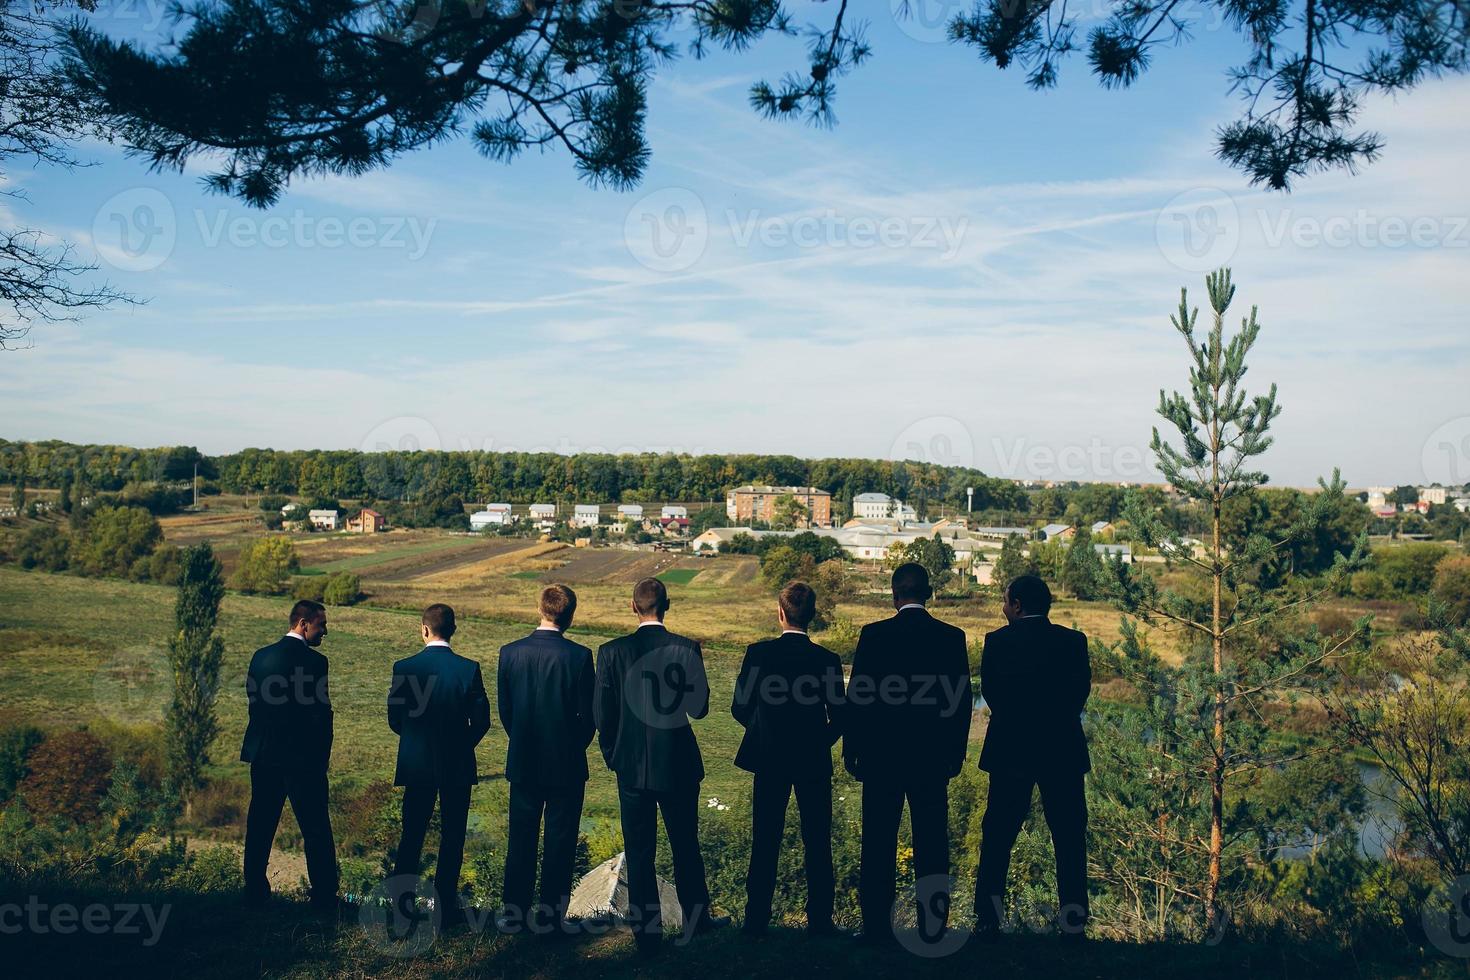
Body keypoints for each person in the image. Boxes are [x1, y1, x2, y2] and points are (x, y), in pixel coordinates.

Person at [594, 577, 730, 955]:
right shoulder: (686, 649)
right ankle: (697, 922)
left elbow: (602, 715)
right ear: (667, 606)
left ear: (632, 606)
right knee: (686, 845)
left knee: (639, 852)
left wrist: (613, 756)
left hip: (631, 766)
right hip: (679, 762)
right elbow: (699, 710)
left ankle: (647, 934)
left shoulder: (611, 652)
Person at [844, 563, 972, 946]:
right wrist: (956, 752)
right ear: (929, 593)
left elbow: (859, 698)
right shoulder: (952, 637)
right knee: (933, 845)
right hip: (932, 758)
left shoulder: (874, 635)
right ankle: (932, 928)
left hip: (881, 758)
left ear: (894, 595)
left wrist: (853, 749)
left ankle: (876, 930)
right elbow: (961, 702)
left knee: (878, 843)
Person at [974, 574, 1092, 939]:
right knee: (1069, 838)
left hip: (1012, 748)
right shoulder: (1074, 642)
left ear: (1018, 605)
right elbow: (1079, 694)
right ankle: (1073, 921)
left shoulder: (997, 642)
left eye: (1005, 601)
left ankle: (988, 919)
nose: (1003, 607)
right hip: (1062, 750)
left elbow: (992, 693)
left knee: (997, 836)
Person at [731, 581, 845, 937]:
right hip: (812, 758)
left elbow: (739, 707)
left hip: (769, 758)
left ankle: (756, 919)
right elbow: (840, 716)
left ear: (780, 613)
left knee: (765, 838)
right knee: (817, 839)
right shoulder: (826, 660)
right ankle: (820, 920)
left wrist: (763, 732)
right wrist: (819, 741)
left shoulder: (759, 655)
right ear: (811, 616)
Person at [496, 585, 596, 937]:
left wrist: (522, 740)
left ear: (539, 608)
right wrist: (573, 744)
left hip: (524, 759)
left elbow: (506, 711)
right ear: (570, 614)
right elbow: (589, 717)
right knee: (561, 840)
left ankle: (513, 914)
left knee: (520, 839)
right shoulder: (580, 657)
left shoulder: (510, 653)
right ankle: (551, 918)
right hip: (566, 762)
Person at [387, 603, 492, 930]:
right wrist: (461, 746)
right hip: (456, 765)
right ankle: (443, 911)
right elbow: (483, 721)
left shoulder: (405, 667)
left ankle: (400, 911)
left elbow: (395, 720)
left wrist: (417, 741)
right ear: (454, 629)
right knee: (452, 837)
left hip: (417, 764)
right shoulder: (468, 669)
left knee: (412, 835)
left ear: (424, 629)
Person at [240, 599, 339, 910]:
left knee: (260, 824)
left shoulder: (261, 657)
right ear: (304, 624)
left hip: (265, 754)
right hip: (302, 759)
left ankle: (254, 890)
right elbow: (321, 716)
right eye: (321, 625)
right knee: (315, 828)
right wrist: (322, 757)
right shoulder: (315, 663)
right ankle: (323, 895)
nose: (325, 632)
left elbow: (254, 703)